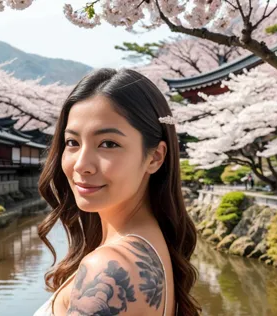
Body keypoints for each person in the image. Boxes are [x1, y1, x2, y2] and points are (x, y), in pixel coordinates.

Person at [33, 69, 201, 316]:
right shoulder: (149, 243)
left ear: (155, 157)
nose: (81, 164)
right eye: (72, 142)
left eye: (108, 144)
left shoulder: (109, 269)